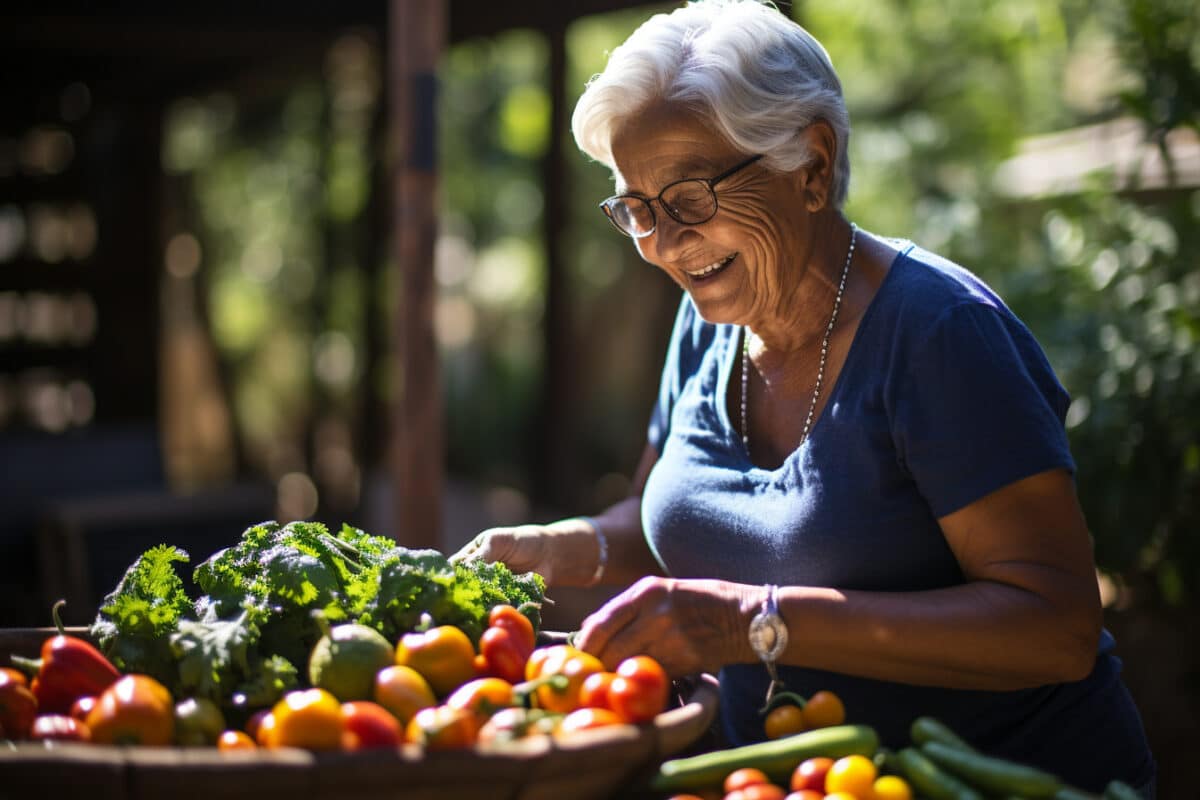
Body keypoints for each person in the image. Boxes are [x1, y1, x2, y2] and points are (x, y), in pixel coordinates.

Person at [452, 0, 1155, 794]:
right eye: (637, 210)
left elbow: (1054, 627)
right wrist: (566, 546)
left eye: (688, 197)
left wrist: (749, 621)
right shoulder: (708, 318)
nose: (665, 245)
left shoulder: (940, 336)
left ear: (811, 167)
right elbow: (673, 523)